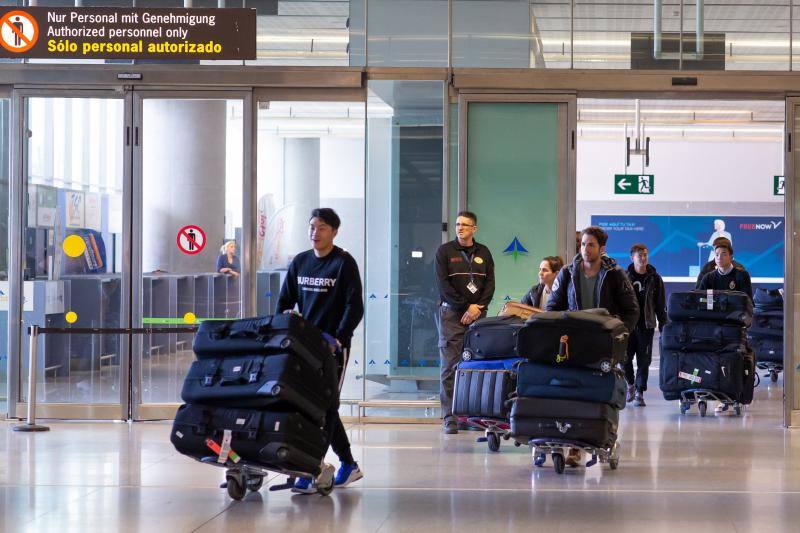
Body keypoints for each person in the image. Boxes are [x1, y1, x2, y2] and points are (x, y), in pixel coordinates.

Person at [276, 208, 365, 494]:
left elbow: (355, 306)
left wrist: (338, 337)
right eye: (312, 227)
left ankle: (310, 467)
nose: (316, 232)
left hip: (332, 347)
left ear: (335, 231)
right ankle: (346, 464)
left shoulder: (343, 263)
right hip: (303, 345)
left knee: (325, 406)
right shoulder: (300, 262)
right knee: (310, 405)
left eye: (322, 227)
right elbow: (285, 300)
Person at [546, 226, 639, 467]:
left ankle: (603, 436)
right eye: (583, 245)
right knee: (573, 393)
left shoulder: (615, 274)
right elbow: (552, 307)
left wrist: (619, 334)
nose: (585, 250)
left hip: (604, 344)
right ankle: (575, 447)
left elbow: (631, 310)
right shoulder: (567, 273)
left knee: (602, 393)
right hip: (573, 344)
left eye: (591, 245)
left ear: (602, 248)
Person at [435, 211, 495, 435]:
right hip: (452, 315)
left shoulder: (484, 252)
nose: (460, 228)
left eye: (465, 225)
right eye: (458, 224)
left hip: (478, 315)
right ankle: (449, 417)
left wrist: (477, 307)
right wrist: (465, 307)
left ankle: (468, 415)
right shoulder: (445, 252)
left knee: (475, 365)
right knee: (451, 365)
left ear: (474, 229)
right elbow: (444, 286)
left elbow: (489, 285)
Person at [624, 244, 667, 407]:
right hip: (628, 326)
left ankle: (640, 392)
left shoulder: (655, 278)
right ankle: (630, 384)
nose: (643, 258)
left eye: (645, 255)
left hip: (646, 325)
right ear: (632, 258)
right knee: (625, 358)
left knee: (644, 360)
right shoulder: (624, 277)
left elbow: (660, 304)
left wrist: (664, 325)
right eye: (639, 255)